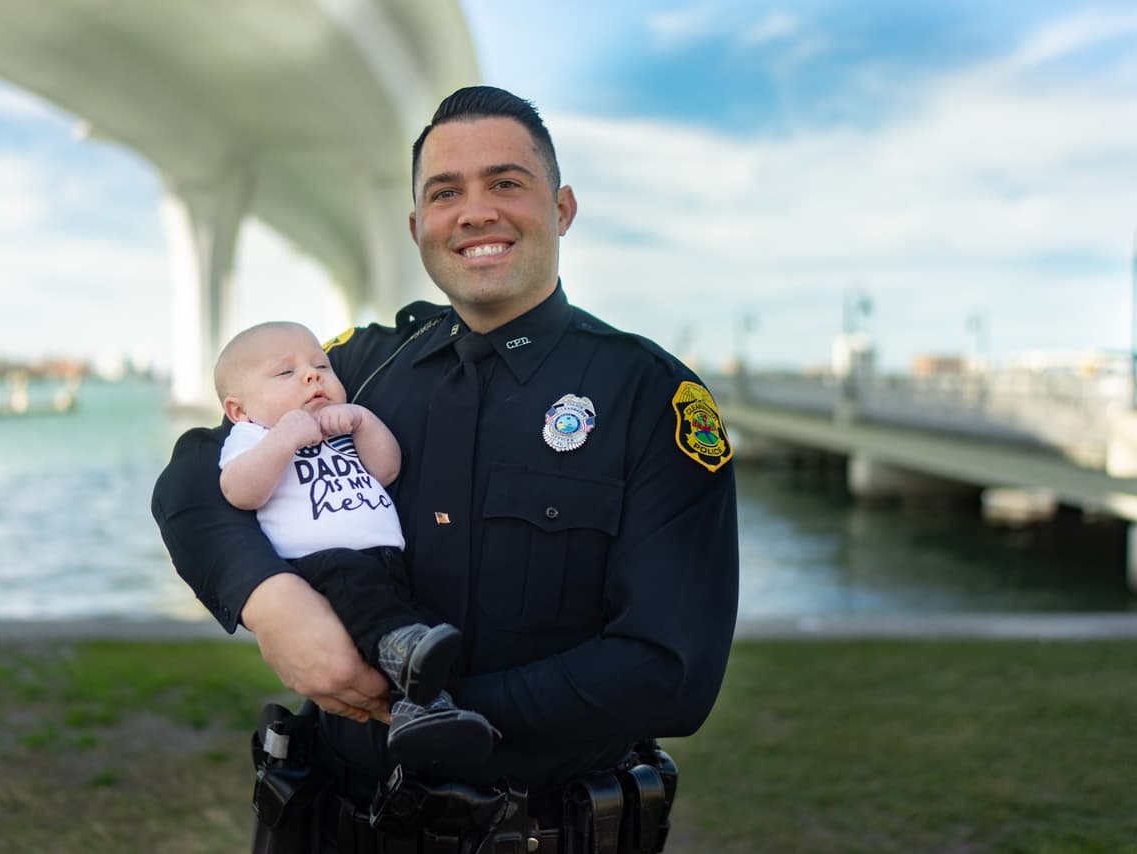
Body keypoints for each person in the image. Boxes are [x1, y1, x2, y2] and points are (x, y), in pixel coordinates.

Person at [153, 86, 739, 853]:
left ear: (561, 208)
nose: (475, 212)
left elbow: (672, 671)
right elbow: (198, 467)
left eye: (505, 183)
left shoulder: (649, 396)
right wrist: (269, 600)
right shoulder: (362, 362)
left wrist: (419, 710)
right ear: (417, 226)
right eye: (444, 193)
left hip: (538, 833)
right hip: (330, 826)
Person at [212, 319, 498, 769]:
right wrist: (285, 439)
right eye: (285, 373)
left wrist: (363, 422)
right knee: (369, 600)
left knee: (421, 621)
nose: (312, 375)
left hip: (384, 559)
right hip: (322, 564)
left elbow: (385, 470)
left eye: (320, 365)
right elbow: (240, 491)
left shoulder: (342, 426)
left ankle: (423, 710)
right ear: (239, 410)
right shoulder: (253, 437)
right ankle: (401, 652)